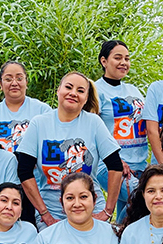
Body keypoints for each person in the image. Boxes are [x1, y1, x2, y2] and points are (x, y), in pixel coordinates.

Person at [16, 71, 123, 226]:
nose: (73, 93)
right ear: (58, 90)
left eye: (80, 91)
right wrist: (44, 214)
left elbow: (115, 166)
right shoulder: (39, 123)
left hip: (89, 209)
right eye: (69, 87)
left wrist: (107, 211)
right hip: (52, 211)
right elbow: (24, 171)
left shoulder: (94, 123)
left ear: (86, 98)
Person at [94, 40, 149, 220]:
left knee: (128, 216)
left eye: (127, 58)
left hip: (140, 164)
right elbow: (90, 130)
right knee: (144, 201)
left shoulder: (133, 89)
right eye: (117, 58)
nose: (123, 62)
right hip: (112, 166)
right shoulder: (95, 90)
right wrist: (115, 160)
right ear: (104, 61)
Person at [0, 61, 52, 153]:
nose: (14, 83)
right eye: (8, 79)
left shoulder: (43, 111)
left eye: (19, 78)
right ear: (1, 84)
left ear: (26, 82)